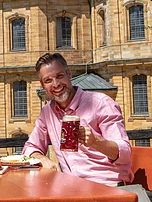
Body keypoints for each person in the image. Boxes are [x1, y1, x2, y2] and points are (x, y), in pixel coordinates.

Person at [23, 52, 134, 187]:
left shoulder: (100, 103)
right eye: (48, 80)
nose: (56, 84)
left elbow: (125, 153)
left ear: (69, 74)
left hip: (108, 186)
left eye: (59, 76)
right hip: (73, 188)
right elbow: (30, 147)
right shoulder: (48, 112)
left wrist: (96, 142)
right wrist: (42, 159)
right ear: (42, 85)